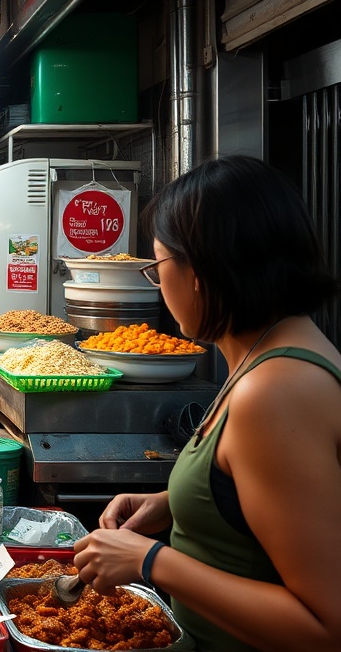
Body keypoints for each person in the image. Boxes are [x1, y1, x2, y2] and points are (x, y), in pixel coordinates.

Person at [72, 156, 341, 652]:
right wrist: (178, 503)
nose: (158, 285)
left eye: (157, 267)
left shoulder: (275, 391)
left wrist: (150, 561)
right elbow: (258, 503)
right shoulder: (266, 358)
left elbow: (325, 627)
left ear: (199, 270)